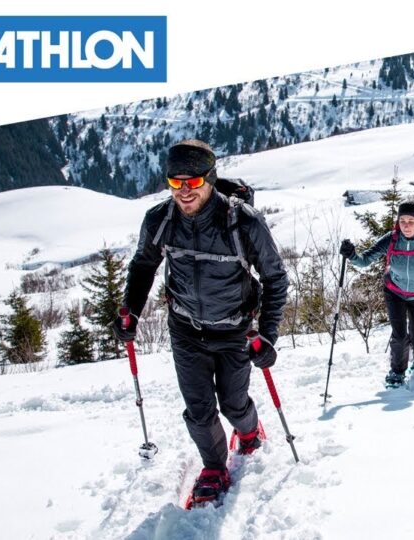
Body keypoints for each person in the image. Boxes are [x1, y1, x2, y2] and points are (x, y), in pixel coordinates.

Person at [111, 139, 288, 505]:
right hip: (185, 328)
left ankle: (249, 431)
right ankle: (213, 468)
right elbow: (143, 266)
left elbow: (275, 278)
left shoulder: (243, 222)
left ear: (210, 178)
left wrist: (268, 335)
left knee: (234, 404)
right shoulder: (160, 220)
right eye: (175, 183)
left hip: (235, 328)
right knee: (199, 410)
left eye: (192, 182)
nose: (184, 191)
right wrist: (131, 311)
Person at [340, 201, 414, 387]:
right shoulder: (392, 239)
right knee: (400, 335)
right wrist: (352, 255)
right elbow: (365, 260)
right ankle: (397, 372)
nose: (406, 226)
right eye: (402, 221)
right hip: (395, 293)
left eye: (411, 221)